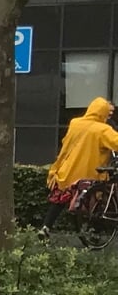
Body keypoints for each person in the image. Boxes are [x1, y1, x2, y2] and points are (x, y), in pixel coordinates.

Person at [41, 97, 118, 237]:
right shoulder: (103, 130)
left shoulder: (75, 123)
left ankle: (46, 227)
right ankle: (94, 232)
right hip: (88, 172)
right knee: (97, 201)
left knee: (59, 200)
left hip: (68, 170)